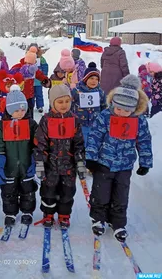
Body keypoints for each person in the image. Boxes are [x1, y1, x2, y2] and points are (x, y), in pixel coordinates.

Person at [86, 75, 152, 242]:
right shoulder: (105, 116)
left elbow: (144, 141)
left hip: (125, 165)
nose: (122, 112)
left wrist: (145, 162)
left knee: (120, 194)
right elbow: (94, 136)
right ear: (113, 103)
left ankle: (118, 223)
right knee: (101, 192)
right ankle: (98, 218)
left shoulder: (139, 121)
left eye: (126, 110)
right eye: (118, 108)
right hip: (104, 162)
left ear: (134, 108)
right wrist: (91, 158)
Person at [34, 85, 85, 228]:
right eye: (60, 102)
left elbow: (79, 143)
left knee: (67, 193)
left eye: (67, 101)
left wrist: (80, 161)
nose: (64, 105)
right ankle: (48, 214)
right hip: (51, 166)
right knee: (48, 192)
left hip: (69, 166)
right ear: (52, 103)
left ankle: (64, 215)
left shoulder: (74, 120)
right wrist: (40, 163)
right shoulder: (46, 120)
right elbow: (40, 144)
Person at [0, 85, 38, 226]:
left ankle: (27, 211)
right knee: (9, 192)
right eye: (17, 110)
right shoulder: (1, 126)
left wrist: (34, 159)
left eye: (23, 109)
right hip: (9, 167)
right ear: (9, 110)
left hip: (26, 165)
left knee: (28, 190)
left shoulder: (31, 124)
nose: (21, 112)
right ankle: (10, 213)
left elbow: (36, 144)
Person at [10, 47, 51, 118]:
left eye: (32, 64)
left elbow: (40, 75)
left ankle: (30, 124)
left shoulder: (33, 69)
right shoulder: (18, 67)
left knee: (30, 111)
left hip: (30, 95)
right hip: (19, 95)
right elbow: (10, 75)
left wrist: (46, 80)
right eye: (28, 63)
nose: (29, 66)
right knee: (20, 112)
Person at [71, 62, 106, 144]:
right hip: (81, 123)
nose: (94, 81)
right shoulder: (77, 91)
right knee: (82, 143)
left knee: (94, 144)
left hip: (96, 124)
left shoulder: (100, 92)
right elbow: (71, 104)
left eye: (96, 79)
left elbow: (104, 106)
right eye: (91, 78)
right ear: (85, 79)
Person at [33, 46, 49, 114]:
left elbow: (45, 67)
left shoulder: (42, 59)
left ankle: (40, 106)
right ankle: (31, 105)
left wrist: (44, 76)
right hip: (31, 81)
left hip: (38, 81)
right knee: (31, 95)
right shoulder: (29, 58)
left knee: (39, 94)